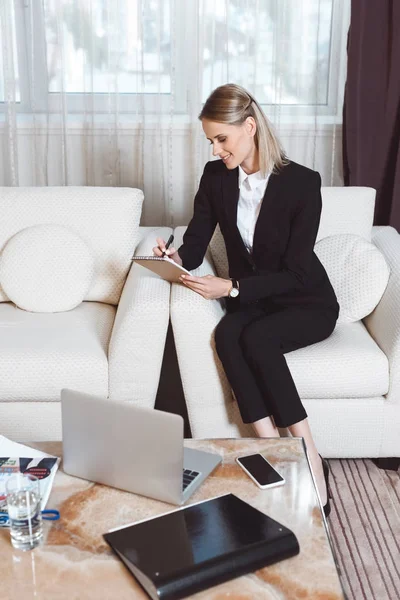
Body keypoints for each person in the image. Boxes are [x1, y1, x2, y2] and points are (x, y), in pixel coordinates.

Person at [153, 83, 339, 517]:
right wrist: (174, 258)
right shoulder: (216, 177)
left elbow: (294, 272)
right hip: (256, 301)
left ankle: (308, 453)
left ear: (250, 126)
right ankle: (271, 448)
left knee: (256, 338)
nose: (217, 150)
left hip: (305, 300)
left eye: (223, 138)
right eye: (211, 141)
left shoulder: (302, 183)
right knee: (228, 332)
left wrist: (232, 287)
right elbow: (197, 242)